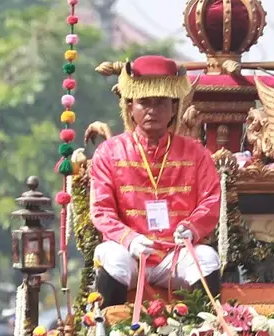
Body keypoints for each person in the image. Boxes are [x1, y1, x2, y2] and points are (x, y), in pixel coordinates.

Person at [89, 55, 221, 305]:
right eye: (144, 103)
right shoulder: (109, 152)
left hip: (175, 253)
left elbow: (210, 202)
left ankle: (206, 333)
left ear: (173, 108)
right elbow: (101, 211)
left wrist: (192, 228)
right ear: (130, 106)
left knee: (207, 258)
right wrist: (129, 239)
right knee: (114, 258)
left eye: (161, 103)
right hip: (130, 252)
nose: (152, 110)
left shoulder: (196, 153)